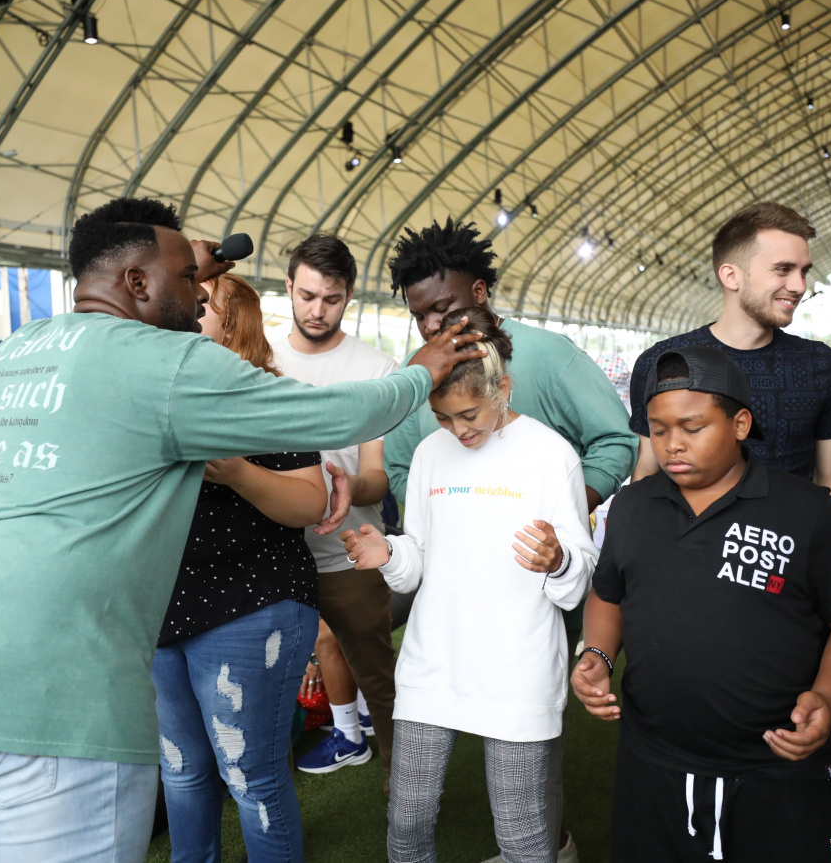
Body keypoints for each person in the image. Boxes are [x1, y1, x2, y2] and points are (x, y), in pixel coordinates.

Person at [0, 197, 482, 863]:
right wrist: (423, 369)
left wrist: (177, 265)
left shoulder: (21, 351)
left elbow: (129, 294)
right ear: (137, 282)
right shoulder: (167, 363)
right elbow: (337, 415)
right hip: (53, 695)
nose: (201, 295)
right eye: (188, 280)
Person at [382, 217, 636, 863]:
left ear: (480, 291)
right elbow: (403, 464)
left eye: (443, 310)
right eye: (420, 316)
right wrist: (444, 517)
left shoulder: (548, 357)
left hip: (534, 585)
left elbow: (616, 440)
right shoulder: (419, 373)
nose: (432, 327)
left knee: (529, 786)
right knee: (412, 811)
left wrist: (560, 516)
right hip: (447, 615)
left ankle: (548, 846)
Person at [574, 345, 831, 862]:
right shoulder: (630, 507)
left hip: (778, 768)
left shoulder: (807, 511)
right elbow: (609, 594)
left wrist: (828, 698)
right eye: (659, 429)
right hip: (654, 764)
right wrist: (598, 655)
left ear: (740, 424)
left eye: (692, 427)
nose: (673, 444)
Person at [344, 308, 596, 863]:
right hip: (433, 664)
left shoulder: (551, 455)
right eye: (442, 417)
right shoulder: (430, 454)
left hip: (518, 670)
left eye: (469, 414)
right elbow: (419, 560)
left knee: (523, 834)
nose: (458, 430)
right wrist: (389, 553)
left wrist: (557, 560)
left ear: (502, 388)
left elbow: (575, 583)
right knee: (407, 821)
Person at [154, 273, 326, 863]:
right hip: (159, 606)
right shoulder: (150, 392)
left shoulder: (269, 396)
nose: (186, 306)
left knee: (250, 775)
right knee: (180, 770)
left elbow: (310, 503)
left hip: (251, 606)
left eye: (202, 302)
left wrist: (238, 472)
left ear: (234, 325)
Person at [629, 203, 831, 520]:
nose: (800, 286)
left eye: (803, 271)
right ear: (731, 276)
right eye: (783, 269)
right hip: (687, 541)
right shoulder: (663, 361)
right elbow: (647, 472)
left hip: (791, 544)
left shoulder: (822, 365)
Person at [267, 234, 399, 775]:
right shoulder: (259, 358)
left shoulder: (376, 369)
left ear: (348, 297)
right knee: (263, 681)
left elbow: (377, 477)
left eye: (331, 298)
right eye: (307, 296)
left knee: (380, 681)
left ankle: (403, 784)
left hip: (349, 553)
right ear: (288, 288)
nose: (317, 310)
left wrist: (350, 487)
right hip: (270, 554)